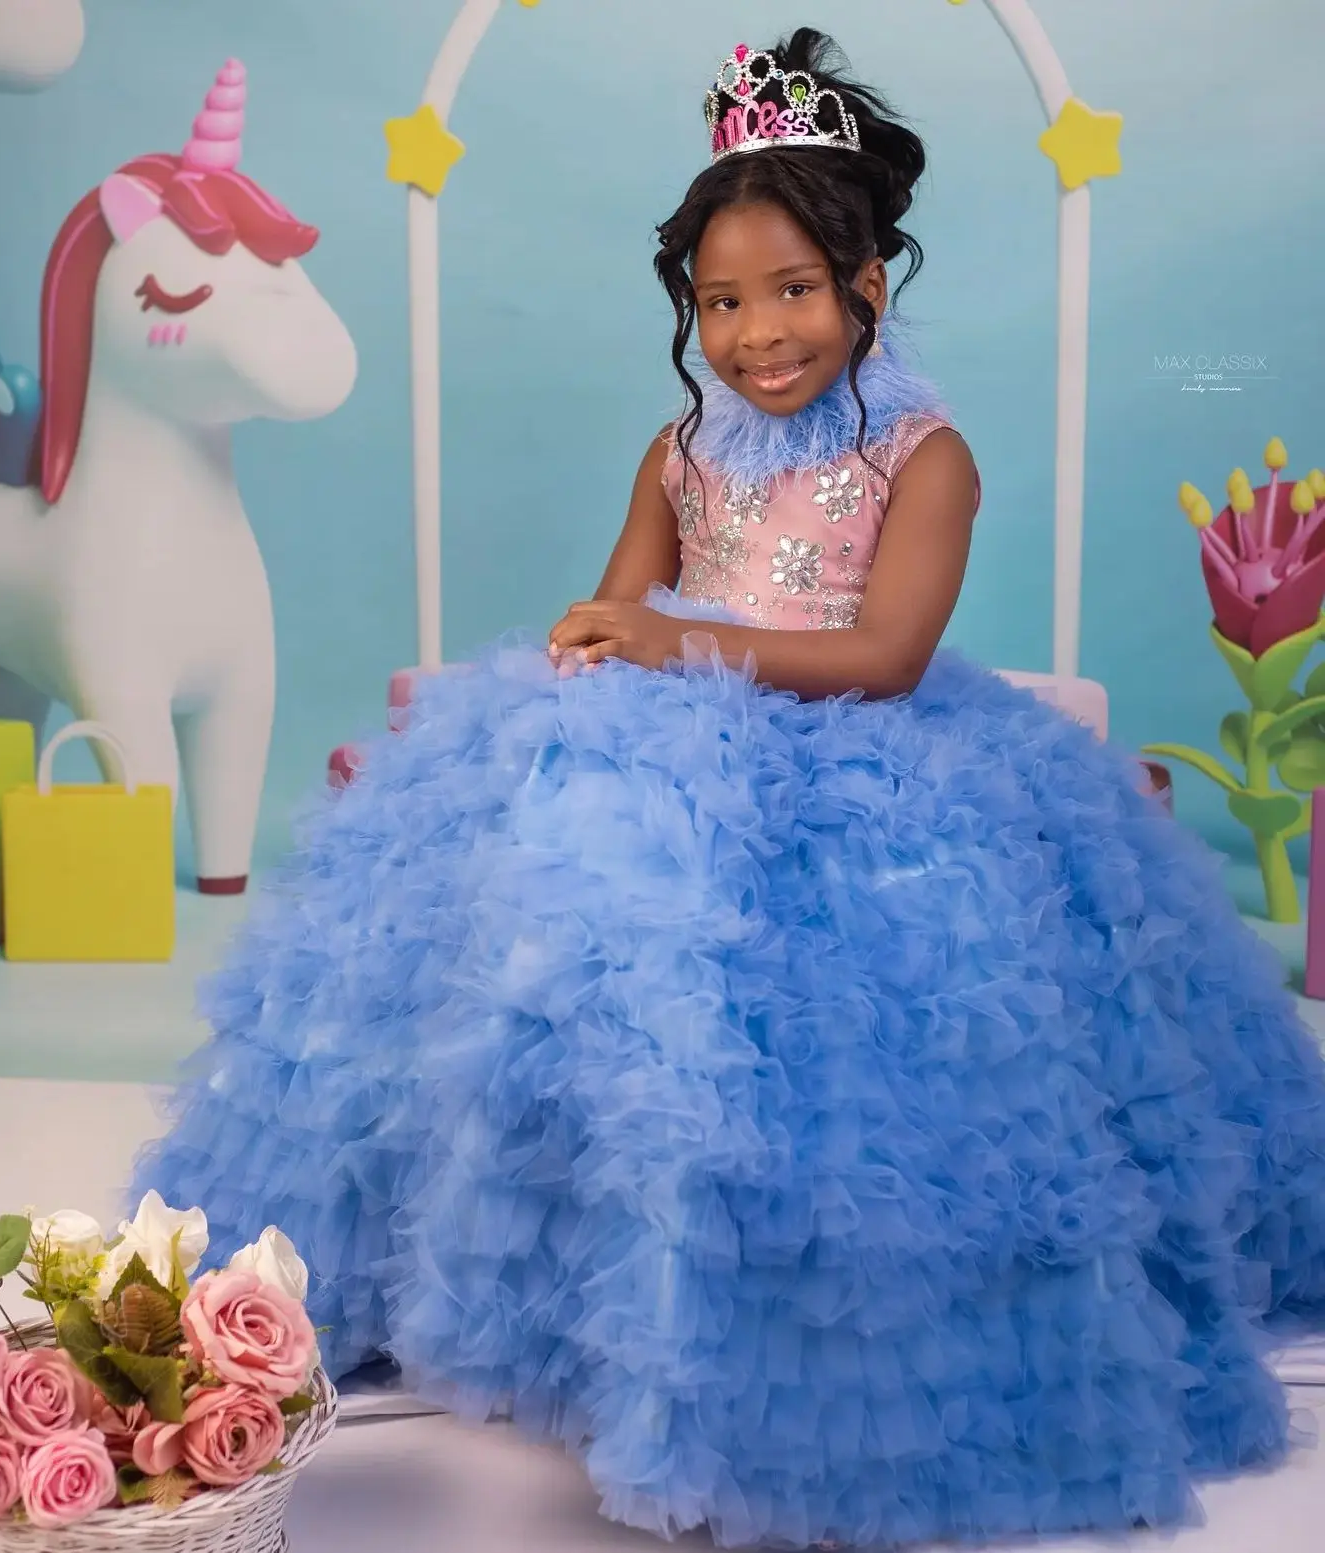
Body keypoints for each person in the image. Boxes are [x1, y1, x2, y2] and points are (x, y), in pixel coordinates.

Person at [133, 29, 1325, 1550]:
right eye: (720, 301)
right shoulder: (684, 446)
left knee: (847, 1027)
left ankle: (769, 1342)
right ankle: (534, 1300)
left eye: (791, 291)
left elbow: (887, 654)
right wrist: (593, 647)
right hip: (679, 739)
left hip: (863, 750)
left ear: (868, 284)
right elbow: (622, 608)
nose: (757, 333)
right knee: (550, 920)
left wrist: (673, 636)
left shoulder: (925, 454)